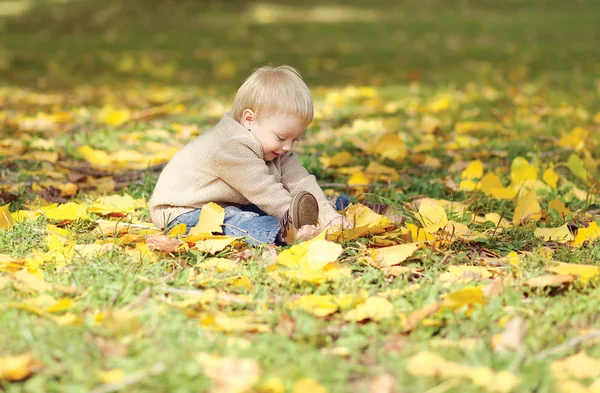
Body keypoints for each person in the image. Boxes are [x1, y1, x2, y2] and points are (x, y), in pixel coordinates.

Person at [148, 65, 352, 245]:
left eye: (294, 140)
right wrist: (294, 219)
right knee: (237, 221)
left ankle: (335, 207)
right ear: (249, 119)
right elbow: (266, 192)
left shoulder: (275, 147)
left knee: (250, 210)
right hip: (183, 211)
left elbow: (300, 181)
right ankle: (283, 233)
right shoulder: (229, 146)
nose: (288, 147)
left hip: (227, 204)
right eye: (282, 137)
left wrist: (328, 215)